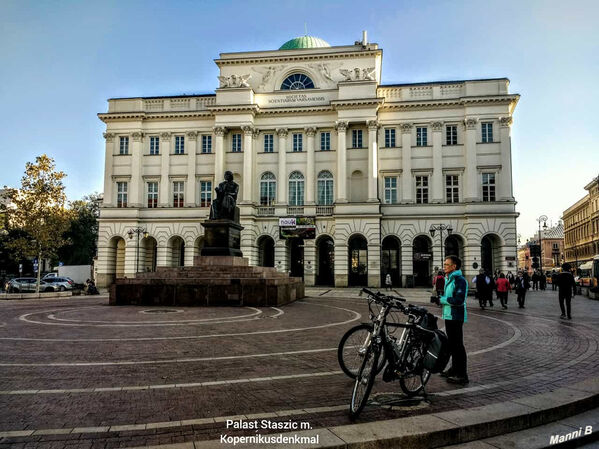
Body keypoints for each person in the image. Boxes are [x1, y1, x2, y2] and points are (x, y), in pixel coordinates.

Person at [438, 255, 469, 385]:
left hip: (456, 316)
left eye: (446, 264)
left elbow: (459, 300)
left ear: (454, 266)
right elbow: (449, 296)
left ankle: (462, 375)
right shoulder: (449, 279)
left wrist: (442, 300)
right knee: (452, 344)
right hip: (449, 315)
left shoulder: (459, 280)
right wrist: (441, 299)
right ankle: (454, 369)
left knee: (458, 346)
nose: (444, 266)